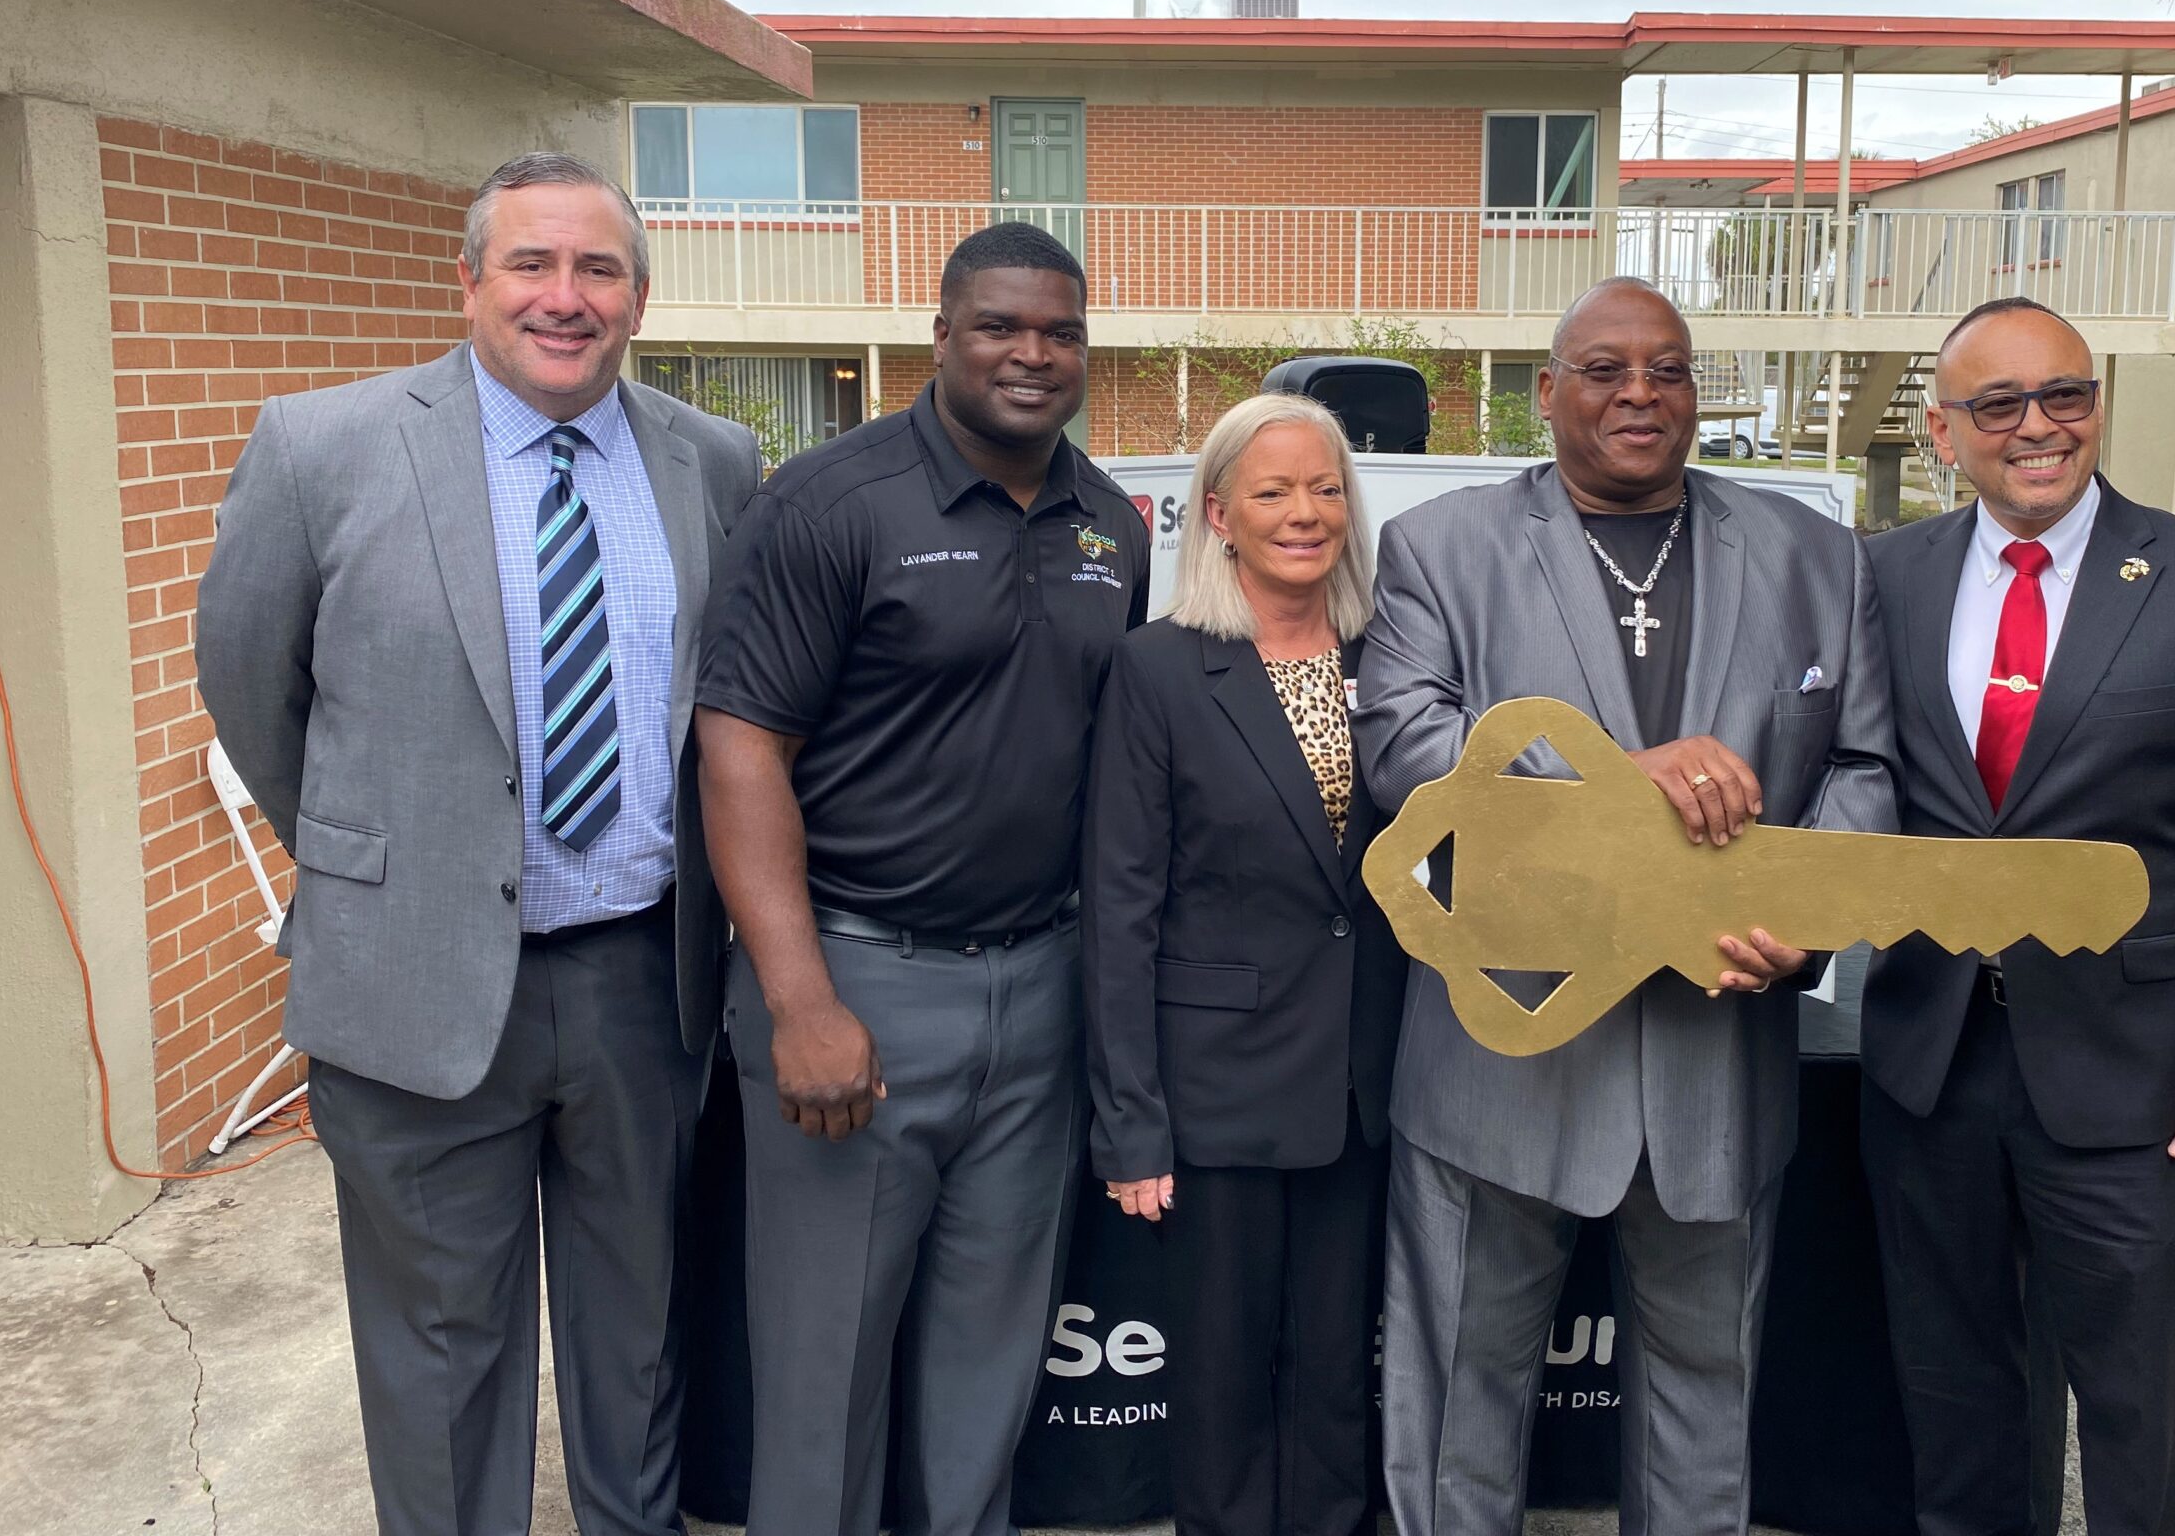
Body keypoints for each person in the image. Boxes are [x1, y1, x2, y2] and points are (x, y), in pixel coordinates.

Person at [195, 152, 760, 1536]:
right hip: (417, 985)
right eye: (532, 264)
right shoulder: (322, 448)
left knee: (639, 1335)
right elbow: (253, 690)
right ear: (469, 281)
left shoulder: (715, 463)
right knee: (442, 1357)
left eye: (599, 269)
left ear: (638, 297)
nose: (564, 298)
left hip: (644, 984)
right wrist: (389, 864)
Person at [1354, 276, 1897, 1536]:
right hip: (1505, 1054)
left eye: (1668, 369)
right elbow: (1404, 747)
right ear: (1547, 392)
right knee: (1453, 1414)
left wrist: (1803, 922)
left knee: (1708, 1404)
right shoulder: (1445, 548)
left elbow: (1863, 770)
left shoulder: (1815, 556)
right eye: (1604, 369)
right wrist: (1604, 784)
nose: (1639, 394)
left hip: (1720, 1061)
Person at [694, 220, 1147, 1536]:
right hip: (858, 986)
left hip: (1038, 987)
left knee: (987, 1367)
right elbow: (739, 750)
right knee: (825, 1376)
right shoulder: (833, 502)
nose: (1032, 353)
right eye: (1001, 326)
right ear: (940, 336)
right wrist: (798, 997)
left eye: (1060, 332)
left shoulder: (1109, 524)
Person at [1860, 298, 2175, 1536]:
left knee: (2131, 1416)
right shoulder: (1881, 581)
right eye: (2000, 405)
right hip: (1933, 1066)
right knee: (1956, 1401)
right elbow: (1848, 789)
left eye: (2063, 395)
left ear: (2096, 406)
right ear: (1941, 431)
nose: (2037, 428)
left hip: (2137, 1088)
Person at [1082, 393, 1406, 1536]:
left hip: (1364, 1085)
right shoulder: (1160, 670)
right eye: (1272, 492)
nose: (1305, 513)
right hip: (1213, 1090)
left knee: (1334, 1377)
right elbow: (1120, 906)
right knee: (1219, 1385)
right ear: (1218, 512)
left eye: (1324, 488)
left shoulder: (1398, 658)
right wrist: (1131, 1121)